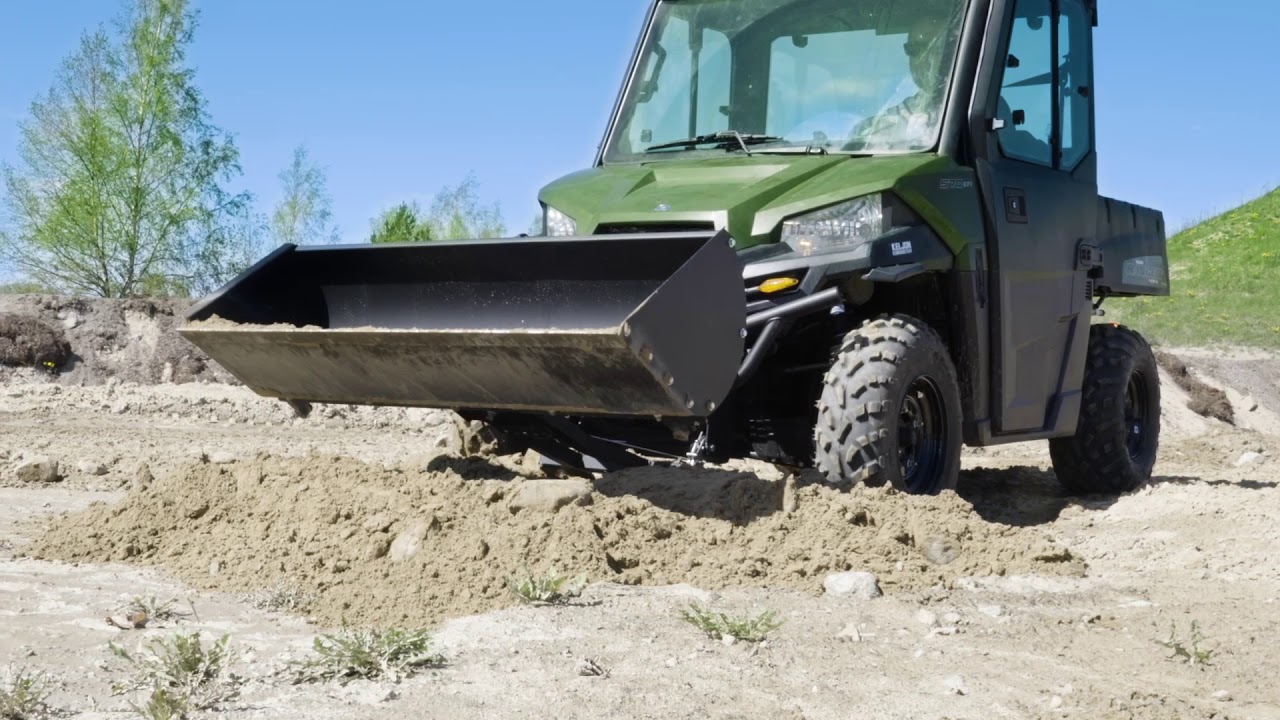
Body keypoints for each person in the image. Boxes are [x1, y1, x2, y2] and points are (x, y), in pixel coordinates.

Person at [844, 13, 956, 152]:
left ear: (953, 50)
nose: (925, 56)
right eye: (914, 48)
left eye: (936, 47)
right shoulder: (871, 130)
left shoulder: (969, 110)